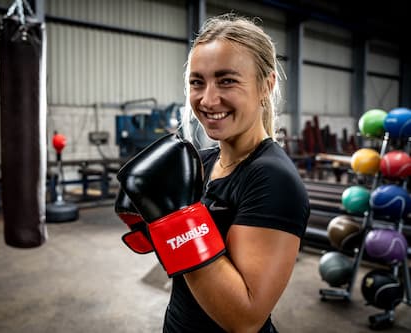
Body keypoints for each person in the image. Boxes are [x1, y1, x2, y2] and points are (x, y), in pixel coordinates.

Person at [117, 13, 310, 333]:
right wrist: (151, 222)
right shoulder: (199, 163)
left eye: (227, 80)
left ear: (267, 84)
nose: (207, 99)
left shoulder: (273, 180)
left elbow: (245, 319)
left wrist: (177, 221)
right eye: (197, 82)